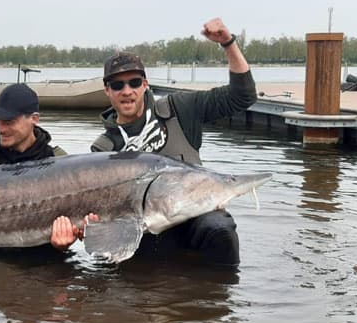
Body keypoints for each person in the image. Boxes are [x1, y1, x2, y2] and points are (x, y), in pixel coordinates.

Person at [91, 17, 257, 266]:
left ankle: (221, 300)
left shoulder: (181, 109)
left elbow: (242, 96)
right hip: (144, 229)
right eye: (118, 85)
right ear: (107, 91)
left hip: (193, 219)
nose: (127, 91)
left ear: (145, 85)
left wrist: (227, 43)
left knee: (220, 229)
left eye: (135, 82)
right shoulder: (103, 148)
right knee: (111, 260)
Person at [0, 83, 92, 252]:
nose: (1, 128)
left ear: (34, 119)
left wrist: (64, 244)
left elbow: (79, 222)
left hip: (41, 263)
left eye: (9, 121)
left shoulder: (60, 163)